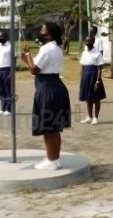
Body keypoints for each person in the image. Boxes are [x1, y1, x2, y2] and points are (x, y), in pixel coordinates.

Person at [21, 22, 71, 170]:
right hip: (54, 86)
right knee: (53, 127)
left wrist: (28, 55)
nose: (39, 32)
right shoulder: (55, 47)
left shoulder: (47, 49)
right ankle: (54, 158)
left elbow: (34, 70)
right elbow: (35, 67)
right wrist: (28, 60)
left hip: (48, 89)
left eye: (42, 30)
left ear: (48, 34)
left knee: (49, 128)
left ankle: (52, 160)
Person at [79, 35, 106, 125]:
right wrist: (81, 78)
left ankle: (95, 118)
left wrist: (97, 81)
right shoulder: (84, 52)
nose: (87, 43)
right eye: (86, 41)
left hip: (94, 76)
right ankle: (89, 117)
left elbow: (99, 68)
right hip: (85, 76)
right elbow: (82, 67)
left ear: (93, 41)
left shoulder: (97, 53)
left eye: (89, 41)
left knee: (96, 98)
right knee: (88, 98)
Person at [0, 30, 12, 116]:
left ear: (6, 37)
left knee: (8, 90)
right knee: (0, 90)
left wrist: (11, 73)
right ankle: (3, 108)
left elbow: (14, 61)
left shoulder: (11, 47)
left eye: (2, 36)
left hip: (7, 69)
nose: (0, 38)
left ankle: (9, 109)